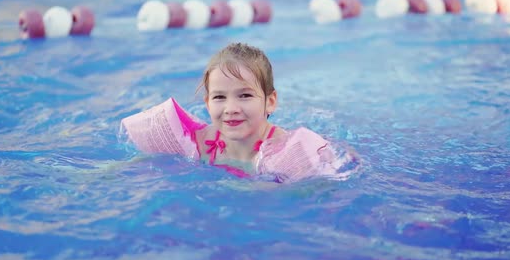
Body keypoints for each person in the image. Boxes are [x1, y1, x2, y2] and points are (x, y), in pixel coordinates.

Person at [121, 42, 347, 182]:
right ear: (208, 104)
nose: (231, 109)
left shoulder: (285, 151)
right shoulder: (199, 143)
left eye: (245, 95)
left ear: (270, 102)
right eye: (220, 97)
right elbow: (139, 164)